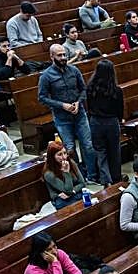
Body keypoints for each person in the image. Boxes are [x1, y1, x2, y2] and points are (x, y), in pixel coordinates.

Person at [39, 44, 97, 183]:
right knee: (69, 149)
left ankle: (92, 175)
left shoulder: (74, 70)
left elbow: (83, 89)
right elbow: (42, 98)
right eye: (59, 55)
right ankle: (79, 176)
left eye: (64, 54)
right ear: (52, 56)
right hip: (62, 118)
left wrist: (78, 102)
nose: (63, 57)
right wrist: (62, 105)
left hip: (79, 113)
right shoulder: (46, 76)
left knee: (88, 145)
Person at [86, 58, 125, 184]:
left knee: (100, 151)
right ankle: (116, 178)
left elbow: (88, 106)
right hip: (111, 122)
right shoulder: (116, 90)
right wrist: (119, 120)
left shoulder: (90, 88)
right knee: (114, 151)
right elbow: (120, 109)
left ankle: (105, 179)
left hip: (95, 122)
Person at [43, 140, 88, 211]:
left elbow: (82, 183)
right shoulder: (48, 173)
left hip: (76, 193)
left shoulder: (71, 162)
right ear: (52, 157)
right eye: (59, 155)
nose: (64, 157)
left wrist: (73, 191)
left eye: (65, 153)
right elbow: (67, 190)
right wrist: (66, 172)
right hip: (61, 199)